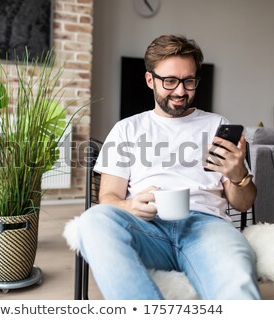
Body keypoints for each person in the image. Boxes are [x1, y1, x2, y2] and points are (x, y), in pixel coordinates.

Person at [78, 34, 260, 300]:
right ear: (150, 80)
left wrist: (238, 176)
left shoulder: (216, 125)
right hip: (147, 228)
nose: (180, 91)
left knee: (236, 282)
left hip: (206, 228)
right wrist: (129, 206)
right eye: (170, 81)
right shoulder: (127, 129)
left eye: (188, 81)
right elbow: (107, 198)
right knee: (92, 220)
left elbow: (243, 204)